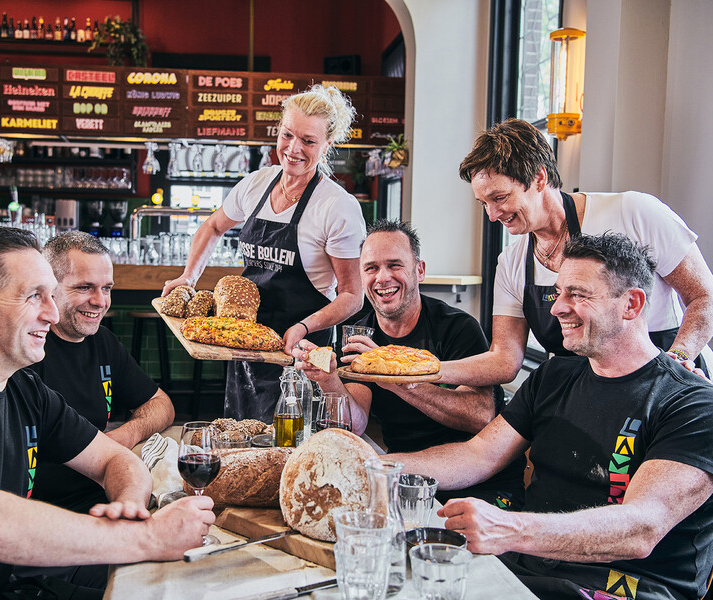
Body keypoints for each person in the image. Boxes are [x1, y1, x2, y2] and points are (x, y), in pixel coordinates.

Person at [389, 232, 713, 600]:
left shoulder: (693, 404)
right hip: (530, 567)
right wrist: (378, 465)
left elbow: (641, 527)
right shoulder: (554, 375)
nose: (557, 308)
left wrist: (509, 528)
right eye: (558, 293)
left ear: (631, 304)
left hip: (624, 587)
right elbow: (479, 454)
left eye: (577, 294)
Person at [0, 227, 214, 600]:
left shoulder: (24, 389)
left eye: (50, 295)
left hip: (20, 582)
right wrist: (145, 537)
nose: (52, 313)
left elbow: (116, 461)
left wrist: (129, 509)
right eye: (34, 296)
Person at [439, 118, 713, 388]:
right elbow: (504, 360)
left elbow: (705, 296)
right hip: (584, 393)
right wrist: (426, 371)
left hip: (665, 382)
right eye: (483, 203)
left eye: (499, 198)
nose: (492, 215)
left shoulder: (635, 212)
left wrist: (677, 360)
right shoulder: (511, 263)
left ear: (539, 177)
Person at [162, 84, 366, 422]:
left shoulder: (336, 206)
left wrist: (303, 326)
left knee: (294, 445)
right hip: (246, 342)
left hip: (302, 352)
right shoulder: (257, 184)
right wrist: (189, 276)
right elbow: (212, 226)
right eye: (287, 135)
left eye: (309, 141)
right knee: (242, 437)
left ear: (327, 145)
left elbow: (352, 295)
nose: (293, 149)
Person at [293, 219, 525, 509]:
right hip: (406, 476)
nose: (382, 278)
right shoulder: (359, 334)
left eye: (395, 265)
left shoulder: (457, 328)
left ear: (420, 270)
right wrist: (328, 380)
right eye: (371, 268)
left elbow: (479, 415)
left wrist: (392, 373)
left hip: (478, 483)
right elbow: (355, 423)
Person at [30, 231, 175, 516]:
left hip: (100, 497)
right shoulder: (29, 350)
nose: (100, 301)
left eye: (106, 288)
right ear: (49, 288)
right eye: (85, 287)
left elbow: (162, 405)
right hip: (46, 512)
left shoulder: (102, 341)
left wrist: (124, 436)